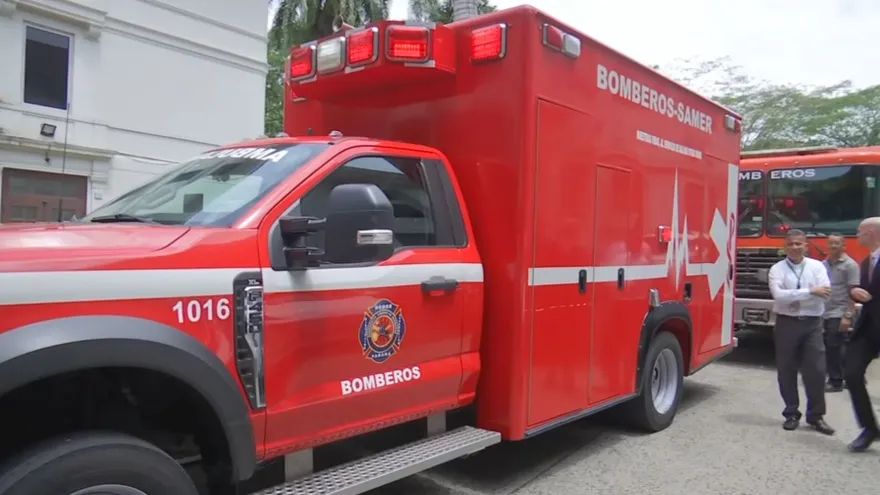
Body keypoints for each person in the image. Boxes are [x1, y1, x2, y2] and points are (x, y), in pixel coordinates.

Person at [767, 229, 835, 434]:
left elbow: (826, 292)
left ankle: (816, 416)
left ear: (806, 245)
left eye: (799, 243)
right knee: (786, 369)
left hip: (812, 324)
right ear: (785, 246)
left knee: (816, 370)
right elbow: (778, 296)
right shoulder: (777, 269)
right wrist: (810, 291)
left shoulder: (817, 267)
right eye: (791, 244)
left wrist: (795, 295)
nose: (795, 247)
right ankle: (791, 413)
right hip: (786, 323)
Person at [844, 217, 880, 452]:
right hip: (868, 328)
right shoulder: (867, 261)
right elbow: (866, 291)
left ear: (871, 233)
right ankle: (869, 428)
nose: (857, 235)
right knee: (852, 373)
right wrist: (855, 292)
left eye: (859, 231)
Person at [821, 234, 860, 392]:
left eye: (837, 243)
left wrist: (848, 315)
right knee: (839, 345)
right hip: (825, 311)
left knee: (833, 346)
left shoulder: (851, 265)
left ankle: (835, 381)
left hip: (840, 311)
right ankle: (853, 377)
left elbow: (854, 293)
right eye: (831, 243)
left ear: (844, 245)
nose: (833, 246)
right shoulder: (823, 264)